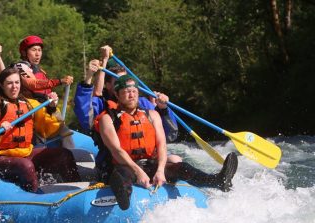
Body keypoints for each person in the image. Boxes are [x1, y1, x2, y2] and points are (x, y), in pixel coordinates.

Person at [95, 75, 238, 210]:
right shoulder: (107, 119)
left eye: (134, 91)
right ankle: (124, 199)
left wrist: (160, 170)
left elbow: (161, 144)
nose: (131, 95)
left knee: (181, 167)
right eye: (126, 92)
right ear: (117, 94)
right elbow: (116, 150)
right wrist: (138, 172)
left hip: (151, 164)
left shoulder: (152, 115)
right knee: (120, 175)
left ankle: (218, 181)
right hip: (125, 166)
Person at [0, 67, 81, 192]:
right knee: (25, 166)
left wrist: (52, 108)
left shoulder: (29, 104)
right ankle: (34, 197)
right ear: (1, 85)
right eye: (9, 83)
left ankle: (77, 192)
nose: (14, 86)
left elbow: (50, 129)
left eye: (17, 82)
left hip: (25, 152)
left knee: (64, 155)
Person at [73, 45, 178, 143]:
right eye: (119, 82)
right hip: (117, 159)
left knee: (175, 159)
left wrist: (163, 109)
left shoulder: (143, 104)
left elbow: (169, 135)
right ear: (108, 85)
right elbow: (85, 116)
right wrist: (89, 77)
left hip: (147, 158)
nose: (126, 86)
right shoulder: (102, 106)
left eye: (127, 81)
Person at [14, 35, 74, 146]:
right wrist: (59, 81)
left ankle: (70, 157)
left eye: (39, 50)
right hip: (30, 110)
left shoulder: (40, 70)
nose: (38, 54)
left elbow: (45, 91)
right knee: (41, 135)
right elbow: (32, 84)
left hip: (46, 107)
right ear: (24, 53)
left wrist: (52, 100)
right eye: (33, 50)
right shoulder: (20, 66)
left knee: (65, 132)